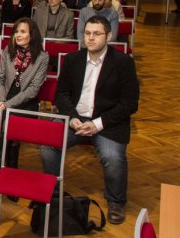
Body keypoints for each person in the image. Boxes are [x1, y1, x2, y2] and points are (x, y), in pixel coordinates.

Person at [41, 16, 139, 225]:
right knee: (47, 146)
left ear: (109, 36)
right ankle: (54, 191)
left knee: (113, 157)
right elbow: (62, 95)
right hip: (76, 119)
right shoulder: (72, 59)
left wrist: (97, 124)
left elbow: (130, 104)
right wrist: (73, 118)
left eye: (97, 33)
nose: (91, 38)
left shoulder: (123, 63)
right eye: (87, 33)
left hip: (107, 123)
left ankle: (115, 202)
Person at [0, 18, 49, 173]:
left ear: (32, 34)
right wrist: (2, 101)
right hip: (5, 97)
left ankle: (8, 171)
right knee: (2, 126)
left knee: (9, 128)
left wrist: (7, 105)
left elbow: (33, 89)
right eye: (16, 31)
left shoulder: (42, 58)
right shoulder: (7, 50)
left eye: (22, 31)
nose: (18, 35)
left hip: (26, 103)